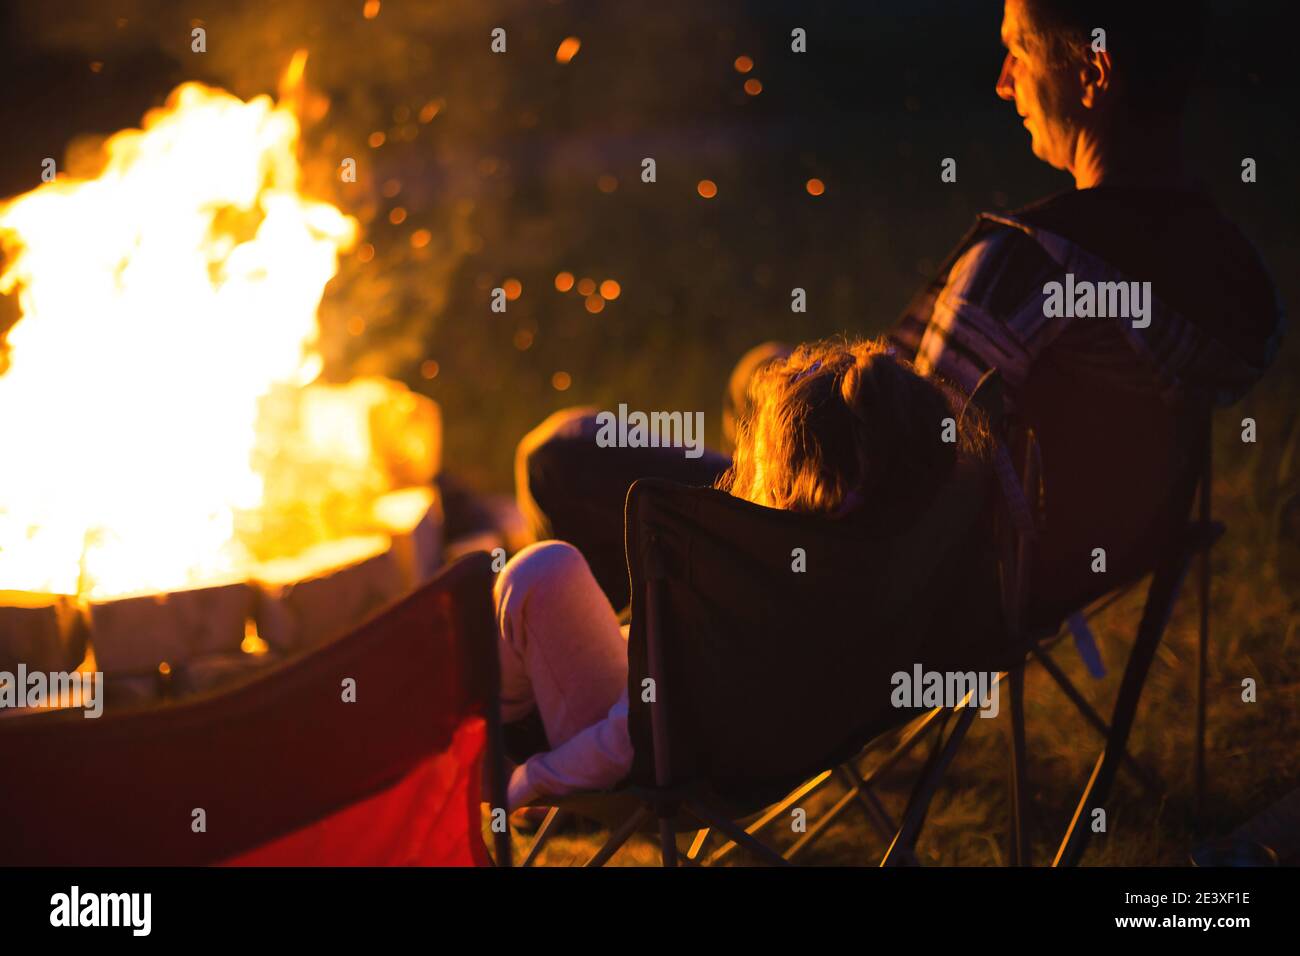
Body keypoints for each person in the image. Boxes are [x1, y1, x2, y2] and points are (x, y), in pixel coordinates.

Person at [517, 0, 1284, 627]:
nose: (1002, 82)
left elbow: (887, 500)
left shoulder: (1030, 268)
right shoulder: (1213, 269)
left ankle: (624, 677)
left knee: (562, 453)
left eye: (1019, 49)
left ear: (1094, 71)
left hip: (876, 595)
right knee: (764, 374)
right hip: (1044, 569)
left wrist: (776, 478)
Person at [495, 339, 986, 809]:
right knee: (761, 365)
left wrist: (531, 780)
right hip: (760, 736)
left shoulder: (750, 592)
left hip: (633, 751)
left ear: (803, 484)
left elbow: (630, 737)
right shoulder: (899, 551)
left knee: (545, 569)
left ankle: (492, 742)